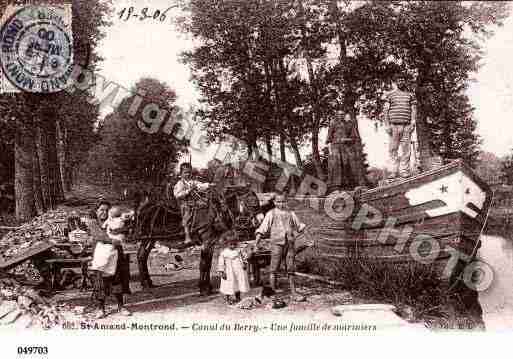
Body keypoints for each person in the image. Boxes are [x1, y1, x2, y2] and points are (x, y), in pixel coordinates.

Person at [255, 193, 306, 301]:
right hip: (277, 243)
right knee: (274, 269)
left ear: (286, 202)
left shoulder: (291, 213)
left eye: (283, 201)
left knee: (290, 268)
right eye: (278, 202)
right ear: (274, 202)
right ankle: (273, 294)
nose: (281, 204)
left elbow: (299, 226)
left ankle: (294, 293)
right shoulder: (271, 213)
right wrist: (256, 243)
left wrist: (306, 237)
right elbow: (263, 228)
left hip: (290, 244)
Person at [87, 202, 131, 319]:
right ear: (96, 211)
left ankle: (121, 306)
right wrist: (112, 240)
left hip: (115, 253)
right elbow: (98, 235)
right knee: (101, 281)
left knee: (117, 278)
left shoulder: (114, 220)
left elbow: (124, 229)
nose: (104, 212)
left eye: (107, 210)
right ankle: (101, 308)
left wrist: (122, 230)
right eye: (101, 210)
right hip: (100, 254)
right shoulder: (93, 222)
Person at [383, 74, 417, 179]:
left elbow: (413, 109)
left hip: (406, 126)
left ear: (405, 81)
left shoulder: (410, 95)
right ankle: (393, 171)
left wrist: (413, 122)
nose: (401, 82)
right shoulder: (390, 95)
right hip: (394, 126)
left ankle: (404, 171)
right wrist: (387, 125)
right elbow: (385, 111)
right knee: (393, 149)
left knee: (406, 150)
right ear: (396, 82)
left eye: (403, 80)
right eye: (399, 80)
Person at [173, 162, 213, 245]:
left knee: (205, 205)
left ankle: (202, 229)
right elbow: (177, 195)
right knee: (187, 217)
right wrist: (188, 191)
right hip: (184, 204)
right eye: (185, 172)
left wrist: (209, 185)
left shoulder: (192, 182)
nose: (187, 174)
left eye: (189, 172)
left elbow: (200, 185)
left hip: (194, 202)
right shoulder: (179, 184)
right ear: (181, 173)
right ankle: (187, 237)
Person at [326, 110, 366, 191]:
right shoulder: (333, 124)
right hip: (335, 147)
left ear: (344, 115)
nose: (340, 116)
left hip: (346, 147)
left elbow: (354, 137)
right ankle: (335, 186)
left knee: (347, 164)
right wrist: (330, 148)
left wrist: (346, 139)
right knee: (336, 165)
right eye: (339, 114)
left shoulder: (349, 124)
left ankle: (348, 185)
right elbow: (329, 138)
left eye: (342, 114)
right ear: (336, 115)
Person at [217, 235, 250, 305]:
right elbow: (221, 263)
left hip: (238, 270)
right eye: (231, 244)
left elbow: (244, 258)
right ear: (226, 244)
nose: (233, 246)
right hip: (229, 271)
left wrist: (245, 264)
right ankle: (228, 298)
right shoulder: (224, 253)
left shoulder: (239, 250)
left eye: (234, 244)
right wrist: (222, 271)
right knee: (228, 284)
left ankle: (238, 297)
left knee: (237, 283)